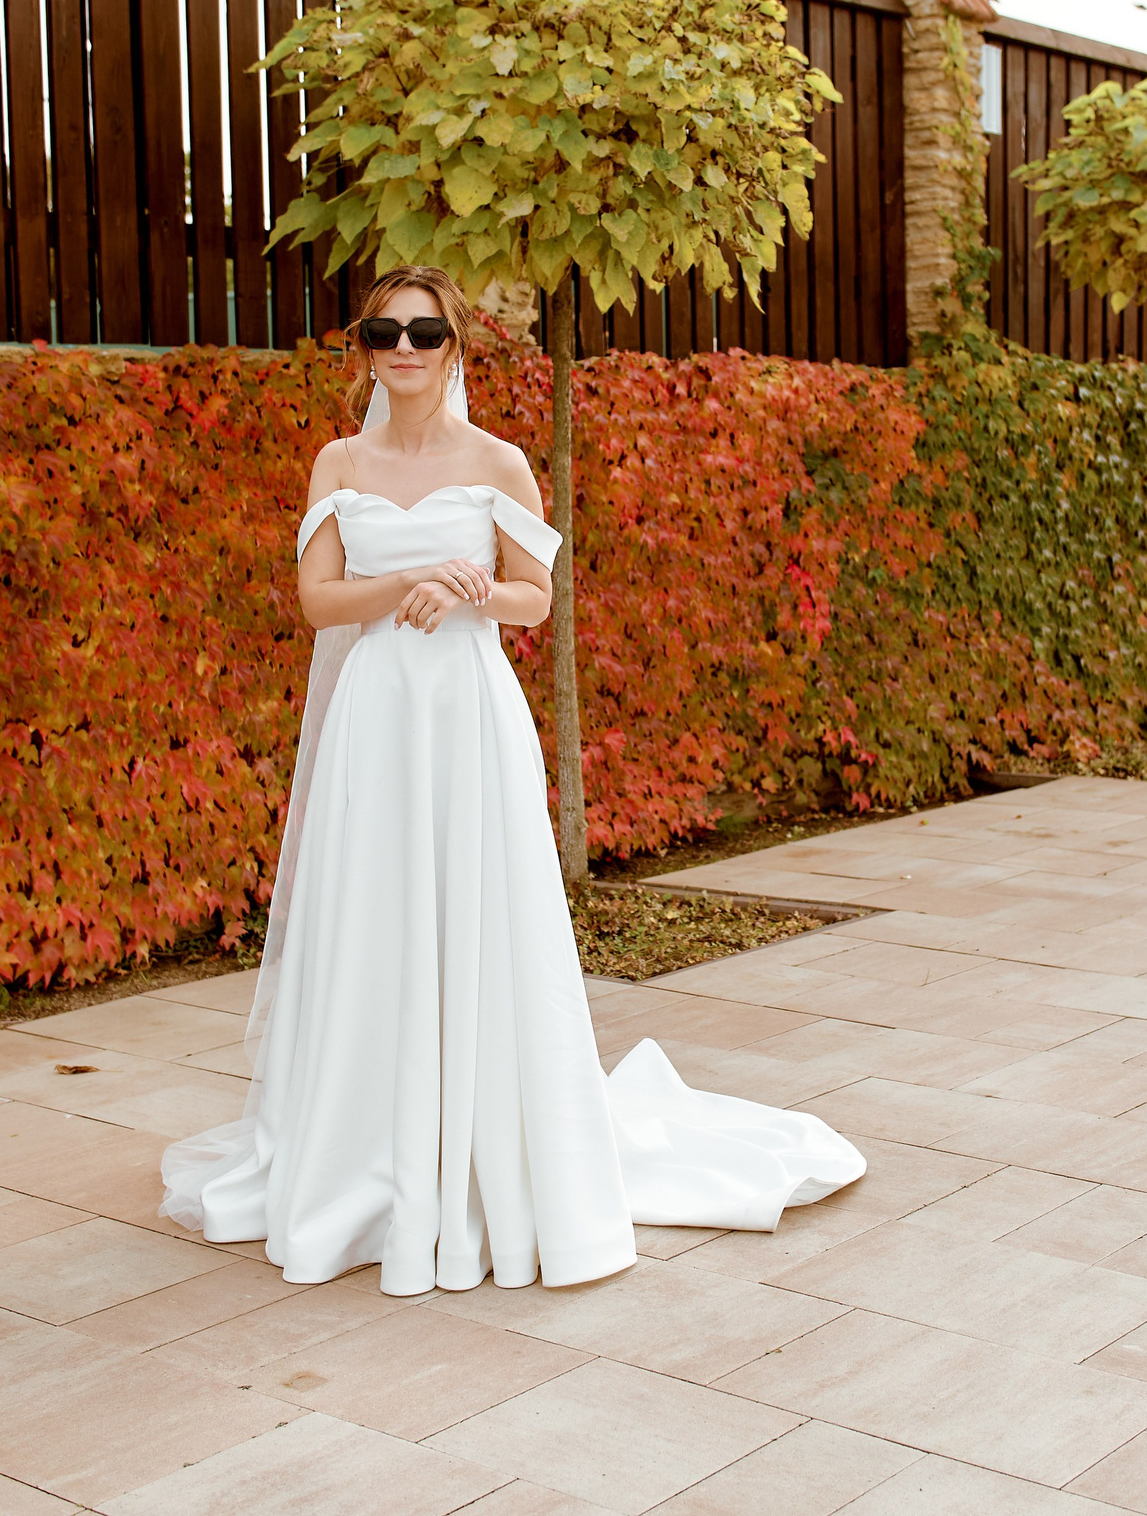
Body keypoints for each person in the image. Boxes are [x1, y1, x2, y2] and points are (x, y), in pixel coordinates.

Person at [159, 265, 863, 1295]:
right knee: (376, 915)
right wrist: (405, 580)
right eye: (382, 330)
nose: (402, 348)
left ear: (454, 347)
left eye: (424, 331)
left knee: (474, 913)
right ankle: (366, 1148)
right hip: (373, 722)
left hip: (469, 716)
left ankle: (483, 1142)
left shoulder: (499, 460)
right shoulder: (337, 460)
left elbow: (536, 597)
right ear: (364, 344)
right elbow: (316, 602)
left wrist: (473, 587)